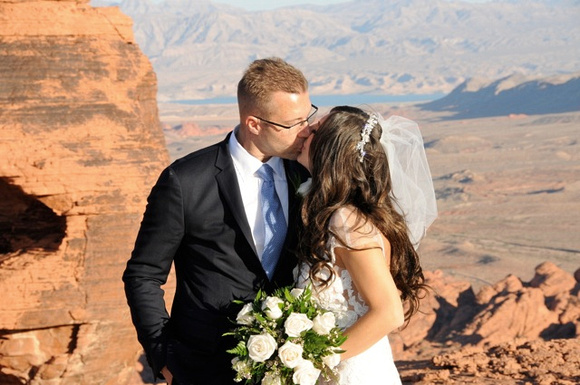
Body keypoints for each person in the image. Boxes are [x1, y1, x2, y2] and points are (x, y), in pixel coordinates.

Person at [123, 57, 314, 385]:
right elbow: (143, 275)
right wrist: (164, 358)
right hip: (203, 368)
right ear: (254, 123)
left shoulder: (306, 174)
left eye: (307, 117)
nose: (306, 131)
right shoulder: (185, 181)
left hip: (291, 366)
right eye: (293, 123)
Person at [295, 106, 438, 384]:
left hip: (353, 373)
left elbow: (388, 312)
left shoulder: (345, 220)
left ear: (329, 150)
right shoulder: (338, 215)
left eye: (313, 131)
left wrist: (312, 358)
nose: (304, 132)